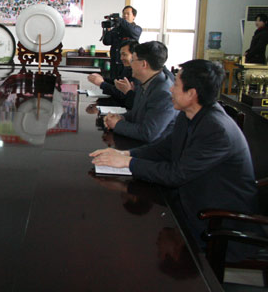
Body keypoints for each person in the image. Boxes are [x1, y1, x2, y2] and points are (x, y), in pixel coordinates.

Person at [90, 60, 258, 259]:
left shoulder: (216, 129)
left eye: (176, 84)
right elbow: (165, 148)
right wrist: (126, 154)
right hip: (189, 201)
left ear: (191, 93)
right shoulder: (190, 114)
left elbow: (176, 175)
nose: (170, 89)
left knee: (134, 239)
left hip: (217, 220)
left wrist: (128, 163)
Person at [104, 41, 177, 143]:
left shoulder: (164, 93)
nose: (130, 64)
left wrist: (117, 124)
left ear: (144, 64)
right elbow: (136, 114)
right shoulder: (146, 83)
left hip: (154, 149)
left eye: (133, 60)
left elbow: (148, 133)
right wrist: (120, 117)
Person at [87, 39, 139, 108]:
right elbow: (117, 83)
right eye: (120, 55)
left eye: (124, 55)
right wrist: (101, 79)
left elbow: (121, 94)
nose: (121, 58)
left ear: (135, 55)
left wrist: (102, 84)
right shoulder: (127, 68)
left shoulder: (138, 73)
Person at [102, 5, 142, 79]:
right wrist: (108, 29)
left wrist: (120, 20)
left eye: (128, 14)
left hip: (127, 65)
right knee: (113, 83)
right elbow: (106, 41)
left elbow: (132, 31)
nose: (125, 16)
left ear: (134, 16)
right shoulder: (117, 29)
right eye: (124, 14)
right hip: (114, 64)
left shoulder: (136, 29)